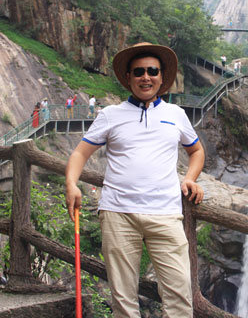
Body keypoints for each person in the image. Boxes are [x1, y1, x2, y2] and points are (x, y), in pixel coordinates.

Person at [65, 42, 205, 318]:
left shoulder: (176, 115)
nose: (146, 77)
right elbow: (80, 153)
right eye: (139, 71)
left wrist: (190, 178)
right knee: (123, 299)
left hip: (166, 214)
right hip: (118, 214)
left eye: (152, 71)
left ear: (162, 77)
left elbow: (197, 150)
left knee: (179, 296)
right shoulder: (110, 115)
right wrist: (71, 184)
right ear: (128, 78)